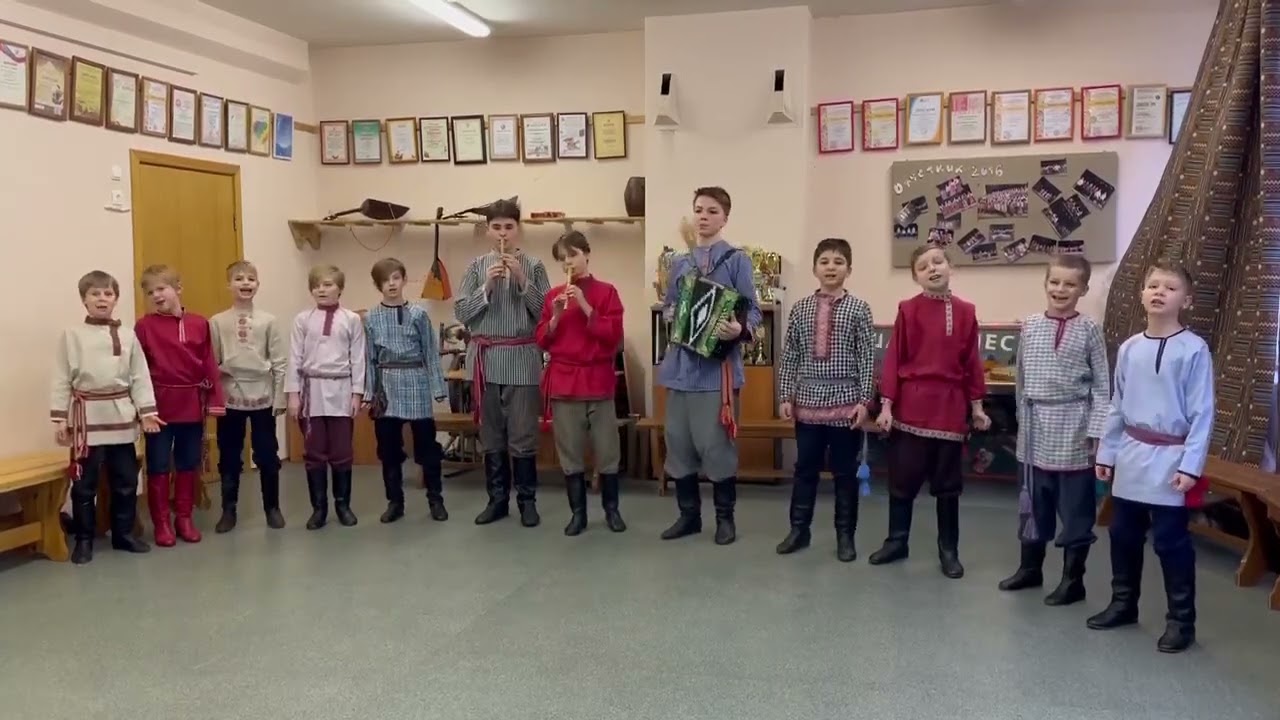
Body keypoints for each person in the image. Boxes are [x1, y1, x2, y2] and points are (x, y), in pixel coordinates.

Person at [1089, 261, 1213, 654]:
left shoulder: (1193, 350)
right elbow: (1117, 404)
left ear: (1186, 300)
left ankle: (1181, 621)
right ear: (1142, 294)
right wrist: (1107, 452)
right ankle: (1123, 604)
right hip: (1131, 455)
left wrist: (1191, 466)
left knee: (1171, 542)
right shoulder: (1130, 348)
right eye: (1153, 285)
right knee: (1123, 534)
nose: (1159, 292)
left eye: (1170, 288)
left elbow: (1203, 413)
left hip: (1171, 459)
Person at [869, 245, 989, 578]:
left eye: (938, 262)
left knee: (948, 486)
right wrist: (887, 405)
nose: (932, 269)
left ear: (950, 266)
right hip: (911, 407)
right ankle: (897, 541)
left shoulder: (966, 312)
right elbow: (894, 358)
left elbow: (972, 363)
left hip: (949, 409)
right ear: (915, 276)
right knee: (902, 481)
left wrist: (977, 406)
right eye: (923, 266)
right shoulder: (908, 310)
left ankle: (949, 550)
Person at [998, 255, 1110, 604]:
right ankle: (1030, 569)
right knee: (1033, 501)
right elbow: (1021, 379)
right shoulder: (1030, 325)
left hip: (1074, 427)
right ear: (1045, 284)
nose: (1061, 289)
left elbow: (1102, 386)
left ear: (1083, 289)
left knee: (1075, 508)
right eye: (1055, 282)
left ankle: (1072, 580)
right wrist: (1022, 418)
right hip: (1034, 428)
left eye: (1070, 284)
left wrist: (1096, 431)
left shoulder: (1090, 329)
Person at [658, 187, 763, 546]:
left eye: (712, 211)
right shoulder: (680, 263)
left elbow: (753, 311)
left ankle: (724, 519)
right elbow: (669, 305)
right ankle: (688, 517)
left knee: (716, 446)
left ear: (725, 218)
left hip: (716, 372)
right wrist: (674, 315)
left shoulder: (736, 260)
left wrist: (739, 329)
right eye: (699, 210)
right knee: (678, 443)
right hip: (680, 369)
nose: (703, 216)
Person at [776, 238, 876, 561]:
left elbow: (866, 358)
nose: (831, 267)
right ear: (814, 268)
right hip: (807, 403)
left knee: (845, 473)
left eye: (838, 262)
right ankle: (798, 530)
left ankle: (845, 536)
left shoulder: (859, 308)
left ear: (849, 269)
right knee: (805, 469)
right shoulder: (800, 308)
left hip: (846, 402)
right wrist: (785, 394)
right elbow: (790, 355)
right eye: (824, 261)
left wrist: (865, 401)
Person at [50, 271, 160, 563]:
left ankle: (123, 534)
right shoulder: (72, 335)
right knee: (84, 484)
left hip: (120, 415)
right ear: (84, 299)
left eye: (108, 294)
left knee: (125, 480)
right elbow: (61, 377)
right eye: (95, 294)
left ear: (116, 299)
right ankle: (84, 540)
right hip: (87, 419)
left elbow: (140, 376)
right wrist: (60, 418)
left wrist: (147, 412)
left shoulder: (128, 335)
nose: (102, 299)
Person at [454, 199, 551, 527]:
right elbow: (462, 313)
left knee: (523, 434)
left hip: (522, 359)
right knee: (491, 435)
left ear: (518, 229)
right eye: (496, 227)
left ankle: (527, 502)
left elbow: (546, 314)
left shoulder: (534, 265)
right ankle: (497, 501)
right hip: (485, 361)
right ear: (487, 230)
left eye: (509, 227)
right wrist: (487, 287)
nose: (503, 234)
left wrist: (522, 280)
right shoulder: (476, 267)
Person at [535, 231, 626, 536]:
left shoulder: (607, 292)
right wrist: (555, 316)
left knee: (608, 450)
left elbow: (613, 336)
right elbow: (542, 340)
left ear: (587, 253)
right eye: (562, 259)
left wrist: (585, 306)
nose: (568, 263)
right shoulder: (553, 296)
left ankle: (612, 511)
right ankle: (578, 514)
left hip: (598, 381)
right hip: (565, 383)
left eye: (572, 255)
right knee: (570, 453)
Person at [135, 264, 226, 547]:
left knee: (188, 461)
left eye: (161, 288)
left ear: (178, 288)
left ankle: (184, 517)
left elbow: (209, 363)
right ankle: (161, 522)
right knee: (159, 463)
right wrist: (143, 408)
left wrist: (216, 401)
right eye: (150, 292)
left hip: (192, 403)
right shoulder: (144, 326)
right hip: (159, 406)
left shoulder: (200, 323)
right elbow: (138, 370)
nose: (156, 295)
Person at [363, 258, 449, 524]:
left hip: (416, 381)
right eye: (385, 280)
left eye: (396, 278)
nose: (391, 284)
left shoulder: (418, 314)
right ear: (378, 285)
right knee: (388, 449)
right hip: (386, 385)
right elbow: (369, 358)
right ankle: (395, 502)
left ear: (403, 280)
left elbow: (430, 352)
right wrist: (369, 393)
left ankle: (436, 499)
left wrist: (438, 387)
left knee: (427, 446)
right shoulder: (371, 318)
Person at [286, 265, 366, 530]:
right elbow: (294, 358)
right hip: (311, 392)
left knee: (342, 451)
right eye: (317, 285)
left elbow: (358, 358)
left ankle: (343, 505)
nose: (321, 289)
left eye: (328, 284)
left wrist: (357, 393)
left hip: (341, 390)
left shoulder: (351, 319)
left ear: (340, 288)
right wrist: (293, 395)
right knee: (314, 451)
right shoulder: (302, 320)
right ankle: (319, 509)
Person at [209, 260, 287, 533]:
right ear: (228, 285)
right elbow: (213, 362)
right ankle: (228, 510)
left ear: (258, 284)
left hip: (263, 395)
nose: (245, 283)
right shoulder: (217, 321)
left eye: (251, 279)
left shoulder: (269, 321)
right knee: (230, 454)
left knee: (267, 453)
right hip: (231, 395)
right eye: (239, 279)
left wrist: (280, 397)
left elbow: (279, 362)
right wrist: (214, 399)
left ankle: (272, 508)